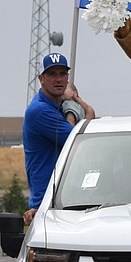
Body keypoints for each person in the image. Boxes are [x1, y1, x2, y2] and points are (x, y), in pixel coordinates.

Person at [22, 53, 95, 225]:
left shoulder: (53, 105)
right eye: (52, 74)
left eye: (63, 74)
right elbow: (81, 144)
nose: (58, 79)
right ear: (41, 78)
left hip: (62, 200)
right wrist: (84, 108)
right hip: (47, 204)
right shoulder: (40, 110)